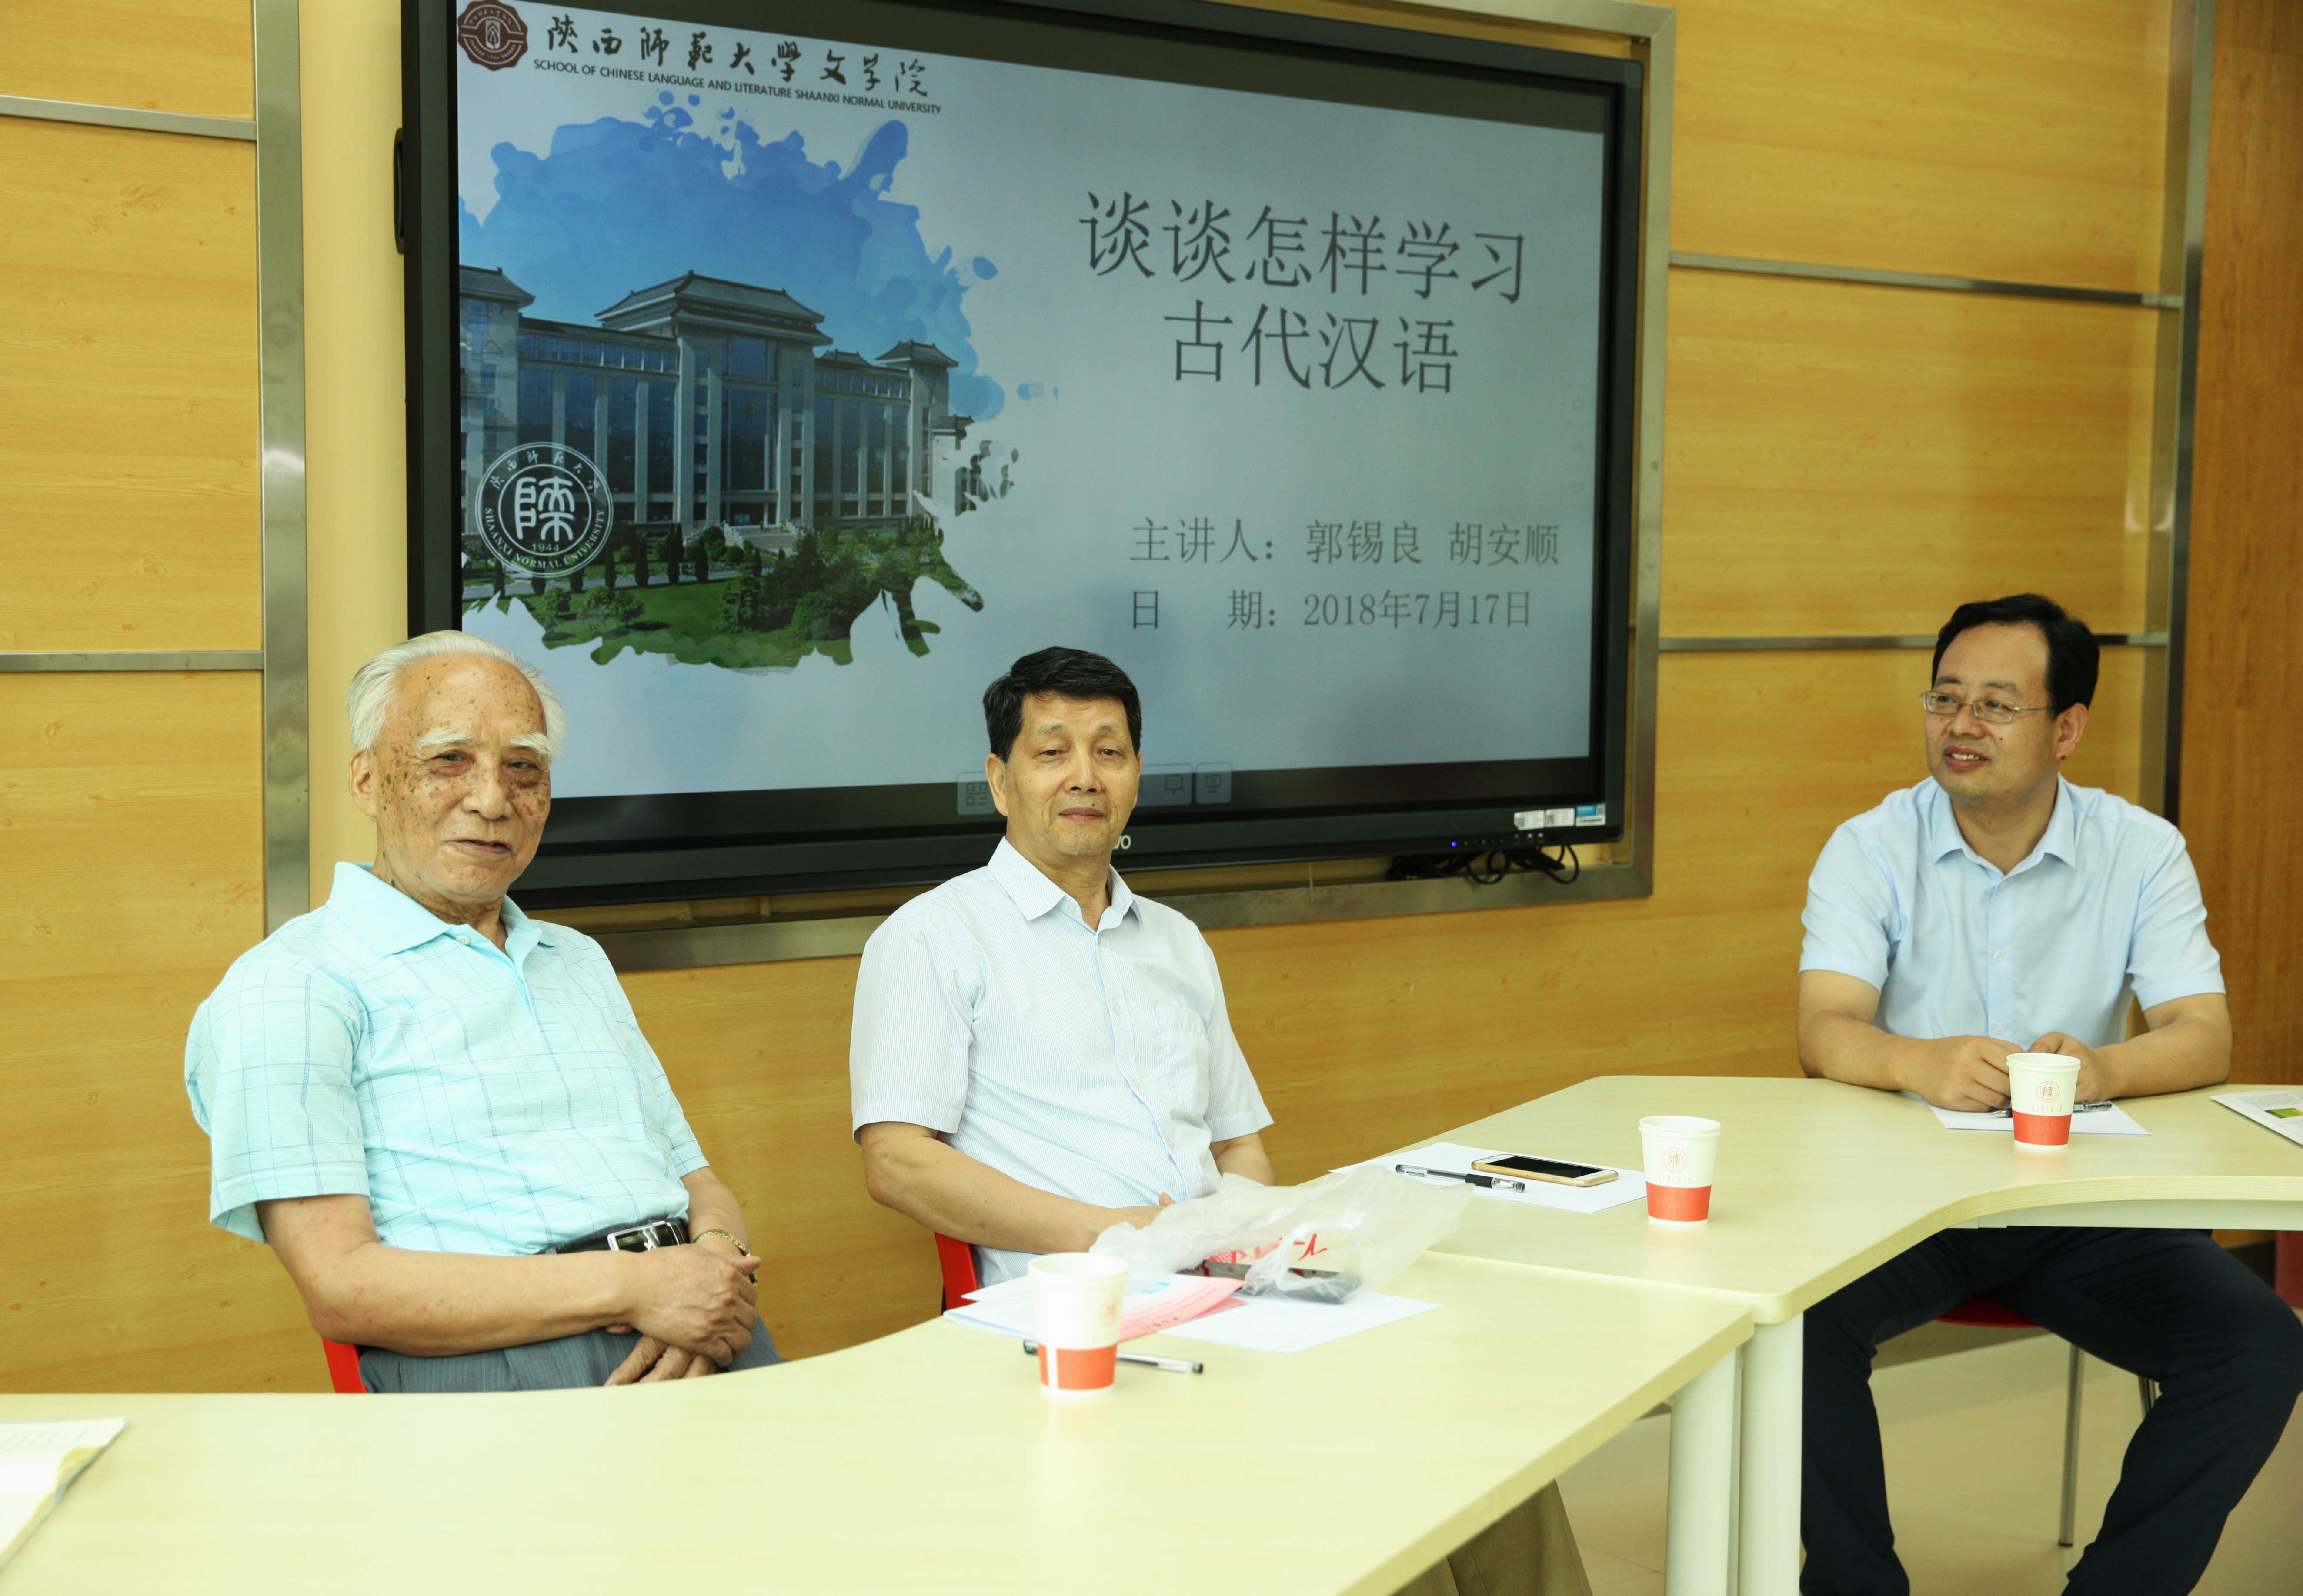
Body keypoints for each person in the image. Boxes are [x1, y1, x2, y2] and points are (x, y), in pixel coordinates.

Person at [850, 645, 1589, 1596]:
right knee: (1368, 1469)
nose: (1085, 776)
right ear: (1000, 780)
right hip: (1084, 1311)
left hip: (1228, 1280)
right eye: (1053, 751)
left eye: (1110, 751)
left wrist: (1256, 1240)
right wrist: (1117, 1234)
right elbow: (898, 1162)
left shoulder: (1177, 942)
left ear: (1136, 776)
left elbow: (1239, 1143)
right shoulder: (932, 938)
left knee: (1482, 1422)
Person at [1794, 593, 2303, 1595]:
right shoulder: (1871, 844)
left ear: (2066, 729)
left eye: (1996, 705)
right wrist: (1916, 1062)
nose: (1962, 725)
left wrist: (2103, 1072)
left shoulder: (2140, 848)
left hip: (2082, 1204)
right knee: (1793, 1325)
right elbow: (1823, 1028)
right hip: (1906, 1206)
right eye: (1945, 699)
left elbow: (2203, 1034)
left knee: (2257, 1349)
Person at [185, 630, 778, 1391]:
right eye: (449, 760)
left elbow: (698, 1182)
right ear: (367, 781)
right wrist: (638, 1288)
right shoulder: (292, 984)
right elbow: (341, 1286)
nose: (494, 801)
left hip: (705, 1321)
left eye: (523, 767)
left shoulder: (576, 959)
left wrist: (719, 1264)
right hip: (507, 1358)